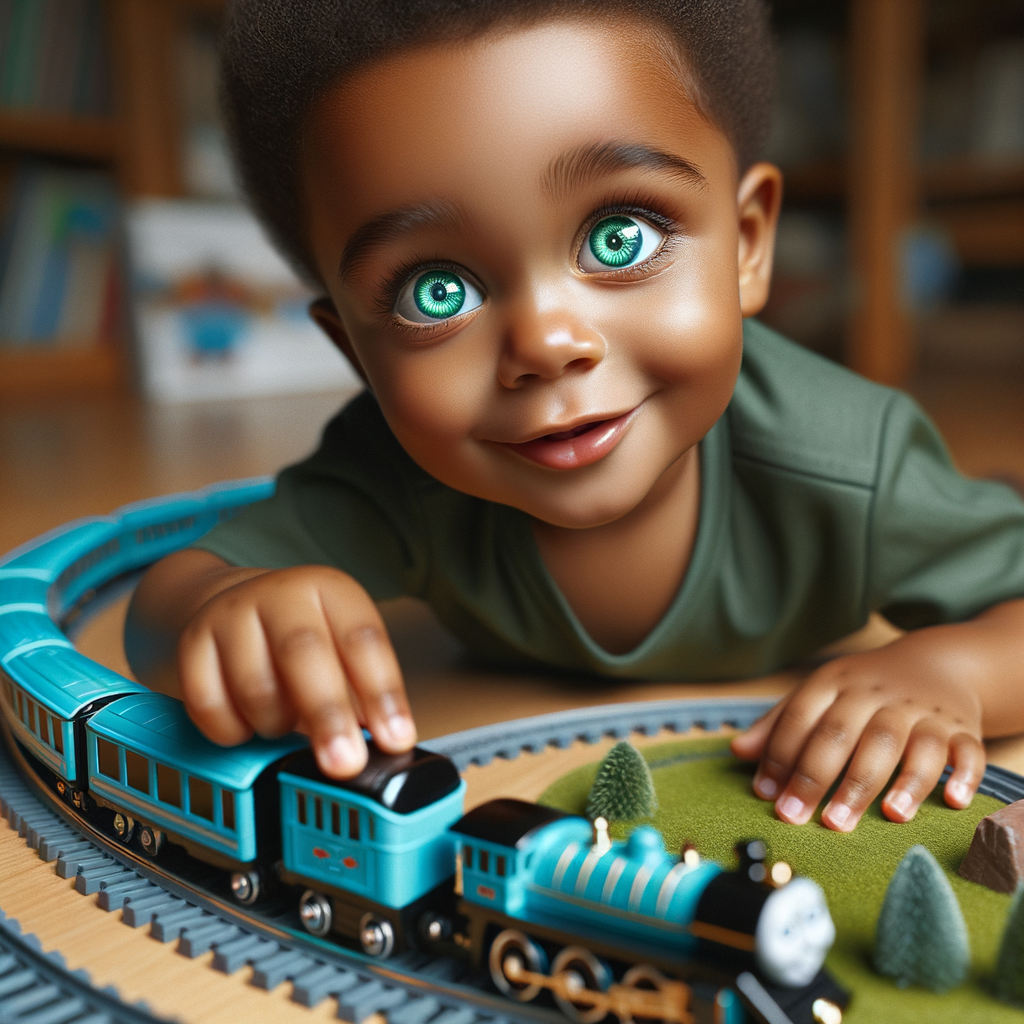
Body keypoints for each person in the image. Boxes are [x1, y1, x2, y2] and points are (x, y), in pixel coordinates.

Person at [125, 0, 1024, 835]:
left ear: (748, 245)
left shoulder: (852, 463)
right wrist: (220, 609)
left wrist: (955, 673)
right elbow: (169, 599)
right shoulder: (390, 475)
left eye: (619, 237)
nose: (547, 344)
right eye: (438, 293)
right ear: (356, 351)